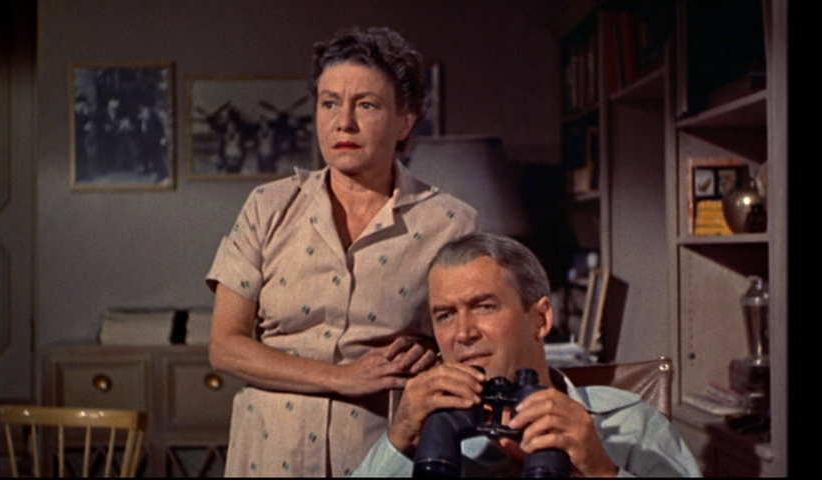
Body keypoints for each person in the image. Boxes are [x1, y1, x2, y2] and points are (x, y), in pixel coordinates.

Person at [205, 26, 478, 477]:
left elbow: (468, 344)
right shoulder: (268, 207)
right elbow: (225, 347)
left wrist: (429, 349)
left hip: (380, 456)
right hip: (269, 455)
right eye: (330, 103)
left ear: (405, 121)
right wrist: (341, 377)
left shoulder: (450, 224)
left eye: (366, 105)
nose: (343, 122)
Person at [351, 232, 702, 477]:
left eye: (484, 306)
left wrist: (600, 470)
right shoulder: (425, 434)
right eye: (445, 315)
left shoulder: (630, 423)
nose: (463, 333)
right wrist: (399, 439)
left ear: (540, 318)